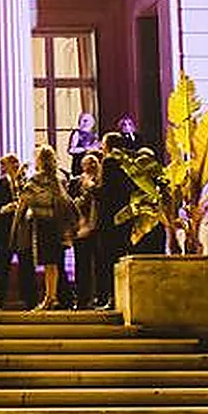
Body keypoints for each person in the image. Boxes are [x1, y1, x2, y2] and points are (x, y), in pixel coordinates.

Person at [17, 145, 77, 312]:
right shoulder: (58, 179)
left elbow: (25, 197)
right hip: (58, 225)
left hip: (43, 223)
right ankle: (51, 297)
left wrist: (19, 181)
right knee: (55, 263)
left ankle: (50, 298)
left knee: (49, 263)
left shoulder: (37, 178)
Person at [94, 132, 135, 309]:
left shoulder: (109, 162)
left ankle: (112, 298)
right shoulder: (127, 162)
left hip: (109, 219)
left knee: (108, 259)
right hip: (124, 217)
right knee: (120, 256)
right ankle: (119, 298)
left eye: (103, 144)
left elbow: (106, 192)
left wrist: (91, 188)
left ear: (108, 145)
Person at [0, 154, 23, 311]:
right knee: (2, 268)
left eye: (16, 161)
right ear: (3, 166)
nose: (15, 165)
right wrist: (3, 209)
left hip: (22, 230)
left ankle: (30, 301)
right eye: (11, 162)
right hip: (4, 231)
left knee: (26, 267)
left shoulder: (25, 183)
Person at [73, 152, 104, 308]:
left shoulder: (102, 182)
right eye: (88, 163)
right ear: (82, 167)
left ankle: (100, 298)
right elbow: (71, 203)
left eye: (94, 163)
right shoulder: (76, 182)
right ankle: (82, 300)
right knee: (82, 266)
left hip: (98, 228)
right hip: (81, 229)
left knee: (100, 265)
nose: (91, 166)